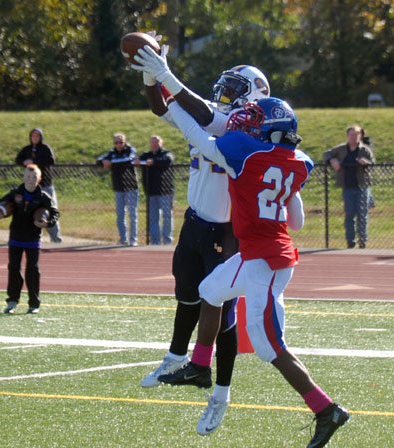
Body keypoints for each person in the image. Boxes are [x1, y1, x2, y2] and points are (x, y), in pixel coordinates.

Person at [159, 97, 350, 448]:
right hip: (263, 254)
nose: (245, 124)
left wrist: (173, 102)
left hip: (265, 262)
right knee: (211, 289)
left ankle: (327, 409)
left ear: (272, 130)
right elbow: (297, 221)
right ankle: (201, 365)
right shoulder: (298, 162)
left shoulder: (245, 152)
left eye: (255, 121)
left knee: (270, 348)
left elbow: (197, 136)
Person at [132, 43, 270, 435]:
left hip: (227, 234)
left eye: (235, 87)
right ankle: (177, 356)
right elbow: (163, 108)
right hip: (195, 222)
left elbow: (206, 115)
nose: (226, 92)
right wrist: (150, 75)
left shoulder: (245, 130)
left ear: (254, 96)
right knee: (186, 293)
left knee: (223, 318)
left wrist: (165, 73)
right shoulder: (215, 116)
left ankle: (220, 394)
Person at [0, 164, 59, 314]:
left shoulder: (43, 197)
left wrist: (47, 222)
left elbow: (54, 212)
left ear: (39, 179)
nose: (30, 179)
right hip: (15, 237)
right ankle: (12, 301)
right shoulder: (15, 193)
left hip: (33, 239)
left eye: (34, 177)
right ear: (23, 177)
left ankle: (34, 303)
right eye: (28, 176)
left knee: (32, 270)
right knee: (14, 269)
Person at [323, 125, 375, 248]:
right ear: (347, 136)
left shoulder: (365, 150)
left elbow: (373, 163)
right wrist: (332, 161)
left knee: (362, 214)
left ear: (360, 136)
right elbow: (326, 154)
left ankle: (363, 240)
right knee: (349, 214)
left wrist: (365, 163)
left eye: (356, 135)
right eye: (351, 135)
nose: (353, 137)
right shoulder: (341, 149)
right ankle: (350, 241)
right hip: (347, 186)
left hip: (362, 185)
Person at [15, 128, 62, 243]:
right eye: (33, 136)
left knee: (50, 210)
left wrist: (35, 161)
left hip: (45, 185)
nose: (35, 138)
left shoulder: (45, 149)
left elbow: (51, 161)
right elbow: (18, 159)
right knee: (31, 212)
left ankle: (55, 238)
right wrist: (24, 162)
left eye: (37, 136)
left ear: (41, 137)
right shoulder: (27, 149)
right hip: (31, 187)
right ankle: (33, 238)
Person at [96, 133, 139, 246]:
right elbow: (99, 160)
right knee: (120, 215)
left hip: (131, 186)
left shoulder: (130, 150)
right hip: (118, 187)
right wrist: (104, 162)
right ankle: (122, 239)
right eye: (116, 143)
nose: (118, 145)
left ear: (125, 142)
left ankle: (133, 240)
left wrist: (111, 163)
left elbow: (128, 160)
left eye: (121, 142)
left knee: (132, 214)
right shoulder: (112, 153)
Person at [137, 135, 175, 245]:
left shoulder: (166, 154)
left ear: (161, 143)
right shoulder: (146, 155)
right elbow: (138, 160)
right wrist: (137, 161)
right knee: (153, 218)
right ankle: (155, 242)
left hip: (166, 191)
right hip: (151, 191)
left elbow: (168, 160)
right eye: (153, 142)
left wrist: (153, 162)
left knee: (167, 216)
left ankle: (167, 241)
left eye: (157, 142)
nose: (154, 144)